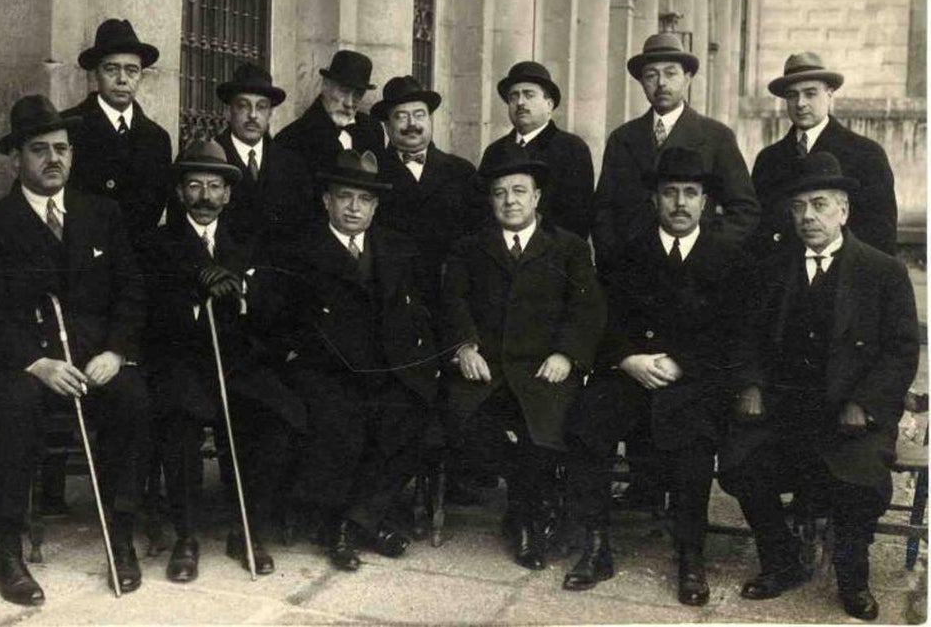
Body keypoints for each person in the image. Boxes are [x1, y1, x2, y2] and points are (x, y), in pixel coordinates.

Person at [719, 152, 919, 621]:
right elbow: (746, 336)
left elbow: (901, 351)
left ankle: (852, 576)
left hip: (851, 412)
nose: (808, 216)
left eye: (820, 205)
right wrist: (751, 384)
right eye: (798, 207)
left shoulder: (882, 271)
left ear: (843, 211)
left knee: (859, 478)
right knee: (742, 461)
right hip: (786, 407)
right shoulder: (773, 267)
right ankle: (781, 561)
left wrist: (864, 403)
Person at [0, 95, 150, 604]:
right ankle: (8, 550)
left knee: (133, 397)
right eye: (39, 149)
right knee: (15, 406)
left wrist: (115, 352)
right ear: (17, 158)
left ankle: (121, 533)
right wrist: (37, 363)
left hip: (94, 361)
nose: (54, 159)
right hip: (25, 363)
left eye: (62, 149)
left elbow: (131, 290)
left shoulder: (102, 214)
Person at [564, 147, 755, 605]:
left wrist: (682, 362)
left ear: (706, 201)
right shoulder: (626, 253)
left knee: (694, 443)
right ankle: (595, 545)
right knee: (587, 423)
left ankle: (690, 555)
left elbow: (738, 333)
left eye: (690, 193)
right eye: (670, 193)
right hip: (631, 374)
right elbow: (603, 320)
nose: (680, 203)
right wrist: (627, 358)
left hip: (694, 380)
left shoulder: (729, 257)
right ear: (654, 199)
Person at [143, 140, 305, 582]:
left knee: (281, 415)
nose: (205, 196)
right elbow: (151, 315)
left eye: (215, 186)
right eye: (195, 186)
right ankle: (186, 535)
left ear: (228, 194)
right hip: (182, 361)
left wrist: (242, 290)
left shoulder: (248, 243)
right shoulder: (157, 244)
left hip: (237, 361)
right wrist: (196, 293)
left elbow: (273, 310)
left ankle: (247, 527)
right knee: (180, 419)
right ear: (181, 192)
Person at [440, 144, 605, 570]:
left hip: (543, 369)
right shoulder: (469, 246)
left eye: (519, 191)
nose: (509, 201)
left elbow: (586, 308)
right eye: (500, 193)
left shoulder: (568, 247)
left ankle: (526, 521)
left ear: (536, 197)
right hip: (487, 370)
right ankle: (529, 504)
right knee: (465, 425)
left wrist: (567, 354)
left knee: (541, 433)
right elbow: (453, 300)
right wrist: (464, 346)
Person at [275, 150, 440, 572]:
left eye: (364, 200)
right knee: (342, 420)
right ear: (326, 200)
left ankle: (354, 521)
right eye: (345, 197)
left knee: (414, 414)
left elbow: (419, 311)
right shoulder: (300, 251)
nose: (354, 208)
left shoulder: (397, 248)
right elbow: (281, 321)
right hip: (326, 368)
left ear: (375, 206)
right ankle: (351, 525)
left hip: (387, 367)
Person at [592, 33, 759, 273]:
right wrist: (615, 260)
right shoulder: (623, 138)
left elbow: (744, 210)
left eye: (670, 74)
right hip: (634, 272)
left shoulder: (716, 136)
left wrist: (708, 251)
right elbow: (604, 210)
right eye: (651, 75)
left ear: (687, 79)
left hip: (697, 271)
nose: (661, 83)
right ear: (641, 82)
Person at [750, 52, 897, 257]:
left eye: (810, 94)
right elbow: (757, 230)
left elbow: (880, 236)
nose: (800, 103)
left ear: (829, 94)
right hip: (781, 274)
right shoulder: (768, 159)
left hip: (841, 272)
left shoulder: (866, 154)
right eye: (792, 95)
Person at [370, 74, 483, 309]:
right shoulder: (372, 173)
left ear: (430, 120)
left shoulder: (462, 171)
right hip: (391, 297)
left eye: (419, 115)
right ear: (387, 126)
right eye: (401, 116)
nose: (412, 124)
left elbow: (478, 235)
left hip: (449, 296)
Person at [63, 18, 173, 255]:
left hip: (136, 263)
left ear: (141, 75)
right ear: (96, 73)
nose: (122, 79)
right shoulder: (69, 127)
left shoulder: (157, 139)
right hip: (81, 260)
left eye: (132, 70)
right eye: (112, 69)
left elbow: (154, 209)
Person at [480, 61, 594, 240]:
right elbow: (482, 212)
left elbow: (577, 219)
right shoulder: (494, 152)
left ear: (549, 104)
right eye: (513, 96)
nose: (520, 102)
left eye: (529, 95)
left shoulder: (572, 148)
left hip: (553, 253)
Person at [211, 62, 314, 255]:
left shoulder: (292, 166)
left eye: (261, 107)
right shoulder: (209, 159)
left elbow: (304, 231)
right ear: (228, 110)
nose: (252, 115)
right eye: (243, 106)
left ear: (270, 114)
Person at [273, 50, 382, 176]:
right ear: (325, 85)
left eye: (358, 94)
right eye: (344, 90)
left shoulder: (372, 130)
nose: (349, 103)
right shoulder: (292, 138)